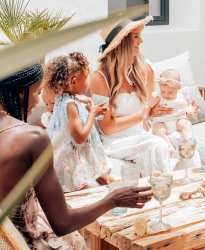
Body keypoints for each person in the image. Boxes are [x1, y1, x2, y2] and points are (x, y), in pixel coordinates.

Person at [0, 64, 152, 249]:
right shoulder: (32, 138)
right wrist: (113, 199)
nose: (39, 102)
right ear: (20, 92)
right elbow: (63, 223)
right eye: (37, 92)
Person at [90, 16, 174, 176]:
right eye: (136, 36)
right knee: (156, 145)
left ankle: (158, 193)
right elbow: (106, 127)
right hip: (115, 142)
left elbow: (149, 112)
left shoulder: (145, 70)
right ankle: (163, 190)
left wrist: (168, 108)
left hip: (142, 136)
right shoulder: (99, 78)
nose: (141, 41)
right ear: (122, 42)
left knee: (162, 145)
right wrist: (143, 115)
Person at [44, 52, 115, 192]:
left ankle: (105, 181)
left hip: (71, 152)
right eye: (87, 76)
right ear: (74, 81)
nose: (89, 80)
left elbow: (74, 102)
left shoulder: (61, 98)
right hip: (73, 157)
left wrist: (87, 101)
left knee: (97, 175)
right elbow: (80, 137)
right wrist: (92, 114)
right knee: (79, 186)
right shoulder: (70, 105)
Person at [152, 69, 198, 153]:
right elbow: (149, 106)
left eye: (170, 92)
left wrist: (190, 109)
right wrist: (150, 110)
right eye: (163, 91)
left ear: (177, 89)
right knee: (158, 129)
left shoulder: (182, 96)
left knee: (185, 124)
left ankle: (188, 141)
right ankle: (168, 146)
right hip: (162, 121)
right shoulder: (158, 97)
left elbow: (190, 104)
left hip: (177, 119)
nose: (166, 95)